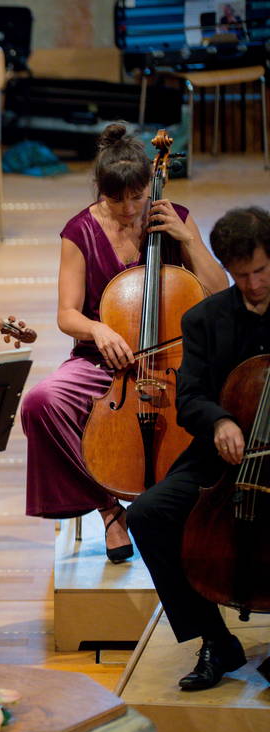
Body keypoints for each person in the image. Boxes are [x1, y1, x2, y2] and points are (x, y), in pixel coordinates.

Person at [19, 123, 227, 562]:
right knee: (41, 403)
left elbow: (218, 290)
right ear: (101, 192)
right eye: (118, 200)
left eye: (138, 196)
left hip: (172, 358)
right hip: (102, 362)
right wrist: (98, 329)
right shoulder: (78, 232)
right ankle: (109, 508)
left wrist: (187, 238)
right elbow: (67, 314)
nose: (130, 208)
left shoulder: (173, 217)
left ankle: (193, 506)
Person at [127, 206, 270, 691]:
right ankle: (214, 638)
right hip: (220, 459)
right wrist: (221, 419)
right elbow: (189, 399)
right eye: (241, 276)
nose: (252, 286)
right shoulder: (206, 319)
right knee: (148, 514)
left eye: (261, 272)